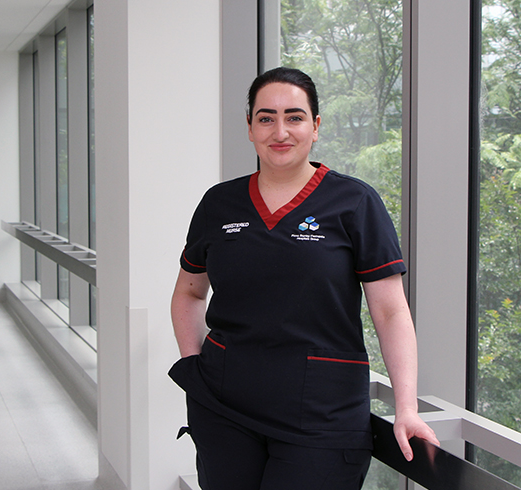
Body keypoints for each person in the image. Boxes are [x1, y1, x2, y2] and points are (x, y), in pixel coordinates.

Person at [169, 67, 439, 490]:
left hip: (322, 415)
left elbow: (389, 311)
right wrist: (192, 366)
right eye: (266, 118)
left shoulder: (355, 202)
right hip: (224, 406)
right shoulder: (218, 203)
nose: (280, 131)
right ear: (250, 127)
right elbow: (188, 291)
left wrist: (406, 406)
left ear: (315, 127)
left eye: (294, 117)